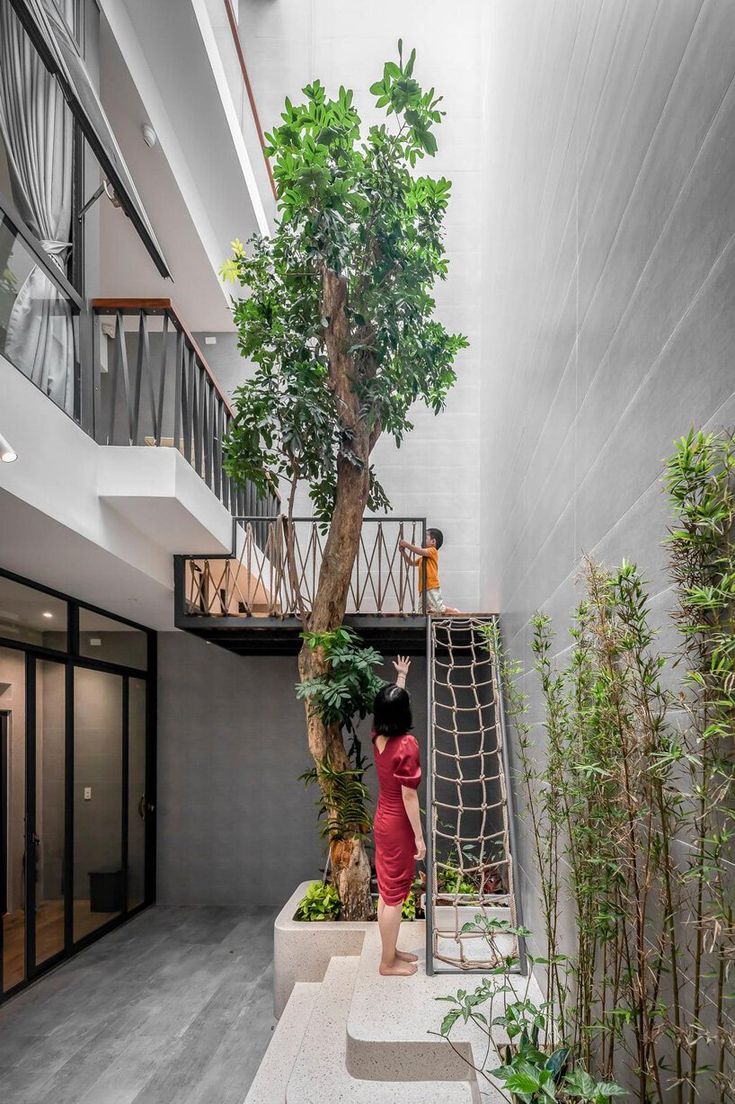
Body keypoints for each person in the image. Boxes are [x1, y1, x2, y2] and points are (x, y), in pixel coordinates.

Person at [372, 655, 425, 976]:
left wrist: (401, 677)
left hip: (382, 819)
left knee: (387, 892)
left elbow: (390, 708)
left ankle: (390, 951)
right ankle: (386, 962)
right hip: (398, 825)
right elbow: (409, 794)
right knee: (394, 896)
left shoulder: (378, 735)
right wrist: (419, 837)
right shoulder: (406, 744)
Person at [399, 528, 460, 614]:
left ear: (433, 542)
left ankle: (454, 611)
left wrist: (407, 545)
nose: (423, 540)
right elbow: (411, 563)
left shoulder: (432, 551)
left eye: (426, 538)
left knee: (438, 608)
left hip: (431, 585)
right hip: (422, 588)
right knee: (421, 611)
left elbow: (419, 551)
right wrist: (403, 553)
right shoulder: (423, 558)